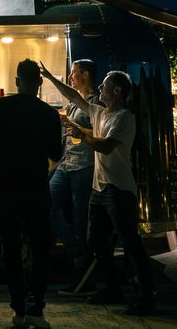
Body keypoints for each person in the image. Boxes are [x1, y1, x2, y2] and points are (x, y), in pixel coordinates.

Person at [40, 63, 156, 315]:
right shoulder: (99, 113)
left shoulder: (124, 118)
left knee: (130, 243)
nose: (100, 87)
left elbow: (104, 146)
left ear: (116, 91)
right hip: (99, 189)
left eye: (105, 85)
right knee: (97, 242)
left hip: (119, 190)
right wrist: (50, 77)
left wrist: (81, 134)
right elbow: (72, 95)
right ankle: (110, 289)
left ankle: (146, 295)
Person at [0, 59, 62, 329]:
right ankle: (37, 305)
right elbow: (55, 154)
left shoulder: (0, 106)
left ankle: (19, 307)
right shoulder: (48, 113)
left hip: (8, 187)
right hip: (36, 186)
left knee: (11, 246)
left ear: (16, 82)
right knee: (40, 247)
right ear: (40, 82)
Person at [50, 60, 102, 296]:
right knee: (47, 204)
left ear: (85, 74)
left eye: (73, 73)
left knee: (81, 219)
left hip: (84, 165)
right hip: (66, 163)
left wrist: (75, 127)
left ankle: (83, 277)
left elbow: (100, 134)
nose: (71, 77)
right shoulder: (73, 104)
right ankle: (81, 255)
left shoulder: (96, 102)